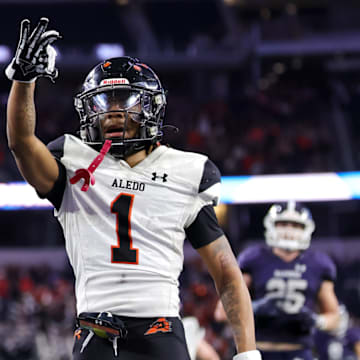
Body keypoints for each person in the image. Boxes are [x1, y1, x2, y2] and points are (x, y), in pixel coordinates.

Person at [5, 17, 262, 360]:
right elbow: (21, 142)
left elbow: (227, 272)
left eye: (124, 100)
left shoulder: (185, 172)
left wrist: (247, 353)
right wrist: (25, 80)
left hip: (161, 330)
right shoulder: (72, 160)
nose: (112, 112)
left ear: (150, 107)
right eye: (103, 102)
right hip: (94, 330)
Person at [215, 201, 340, 360]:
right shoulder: (253, 258)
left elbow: (335, 318)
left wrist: (317, 320)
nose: (288, 230)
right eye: (282, 224)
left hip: (299, 351)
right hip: (257, 350)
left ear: (306, 229)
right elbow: (221, 312)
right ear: (271, 225)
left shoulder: (318, 263)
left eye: (295, 225)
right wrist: (254, 309)